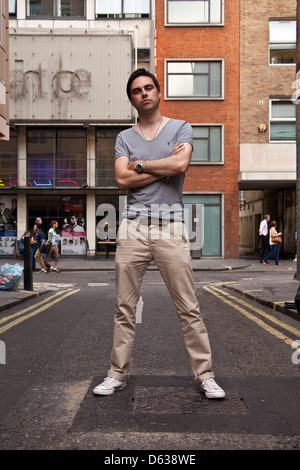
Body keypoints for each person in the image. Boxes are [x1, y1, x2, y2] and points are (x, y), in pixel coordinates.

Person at [93, 68, 225, 399]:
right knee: (124, 307)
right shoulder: (125, 137)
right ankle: (117, 374)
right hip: (133, 226)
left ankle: (205, 375)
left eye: (149, 87)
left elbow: (180, 167)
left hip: (170, 226)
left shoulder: (181, 127)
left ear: (159, 92)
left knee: (188, 306)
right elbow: (122, 181)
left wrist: (139, 165)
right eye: (137, 90)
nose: (144, 93)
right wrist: (161, 166)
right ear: (132, 99)